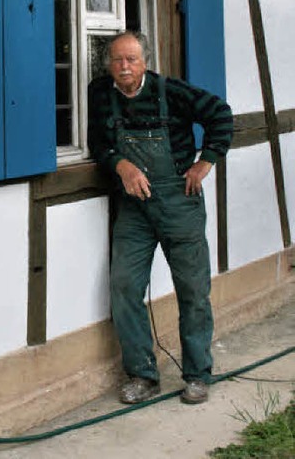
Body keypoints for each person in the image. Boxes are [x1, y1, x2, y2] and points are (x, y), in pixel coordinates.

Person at [88, 30, 233, 406]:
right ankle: (142, 375)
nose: (124, 67)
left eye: (131, 59)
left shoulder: (173, 92)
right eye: (117, 60)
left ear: (145, 62)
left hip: (179, 202)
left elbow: (221, 114)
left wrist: (206, 162)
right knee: (123, 287)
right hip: (134, 208)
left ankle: (198, 374)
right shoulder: (100, 93)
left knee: (193, 290)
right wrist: (121, 165)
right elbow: (98, 143)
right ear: (109, 64)